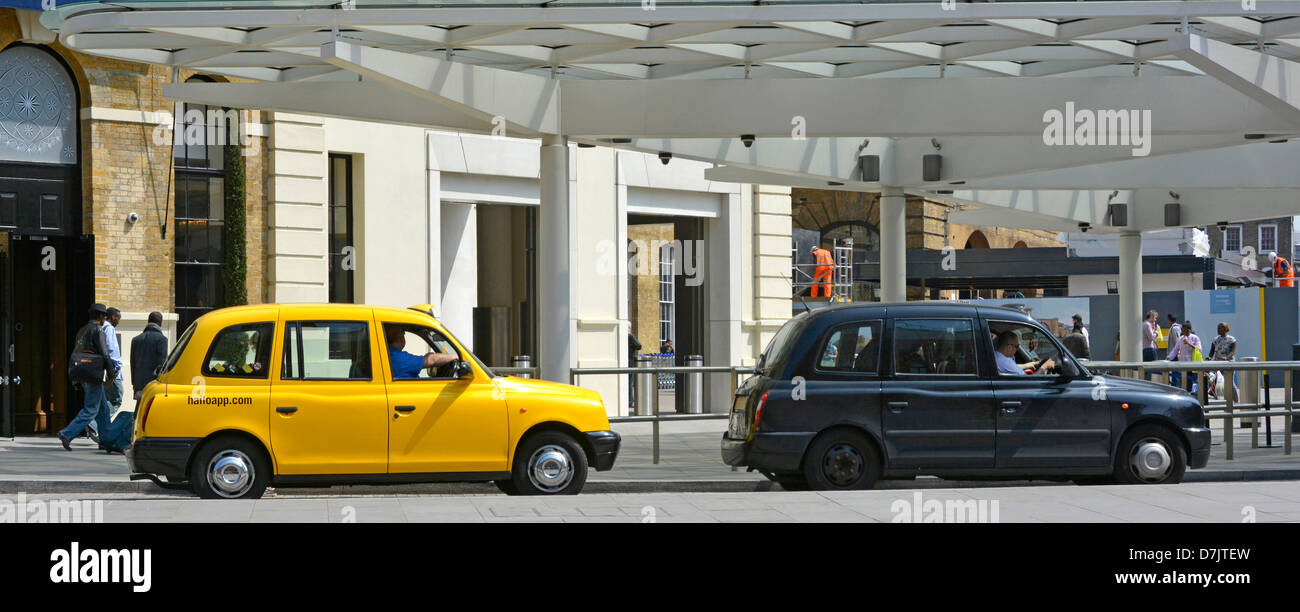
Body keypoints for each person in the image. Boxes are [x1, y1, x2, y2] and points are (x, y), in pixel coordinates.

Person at [57, 304, 116, 452]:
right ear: (101, 316)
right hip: (93, 374)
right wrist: (111, 371)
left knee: (103, 410)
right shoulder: (98, 330)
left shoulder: (82, 330)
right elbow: (105, 353)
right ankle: (67, 433)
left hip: (83, 372)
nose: (105, 319)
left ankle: (106, 440)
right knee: (91, 409)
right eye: (104, 316)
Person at [385, 326, 457, 379]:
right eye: (403, 334)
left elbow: (426, 359)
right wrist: (457, 356)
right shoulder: (399, 358)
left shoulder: (386, 355)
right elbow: (432, 360)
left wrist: (427, 357)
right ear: (400, 339)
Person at [130, 311, 169, 400]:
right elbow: (162, 364)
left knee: (140, 410)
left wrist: (134, 383)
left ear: (148, 321)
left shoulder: (136, 340)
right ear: (160, 324)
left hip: (138, 384)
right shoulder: (162, 339)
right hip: (153, 385)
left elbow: (133, 363)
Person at [102, 307, 125, 418]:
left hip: (103, 369)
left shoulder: (101, 327)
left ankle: (97, 427)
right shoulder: (109, 328)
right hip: (112, 370)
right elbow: (112, 350)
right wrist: (117, 367)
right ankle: (94, 423)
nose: (119, 321)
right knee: (117, 399)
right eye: (118, 318)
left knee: (106, 399)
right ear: (113, 317)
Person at [1176, 321, 1203, 393]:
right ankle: (1185, 394)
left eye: (1186, 330)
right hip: (1183, 364)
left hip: (1192, 364)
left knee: (1193, 381)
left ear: (1190, 330)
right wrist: (1169, 357)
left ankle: (1194, 394)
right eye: (1183, 330)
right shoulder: (1180, 339)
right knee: (1184, 382)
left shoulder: (1195, 338)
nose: (1184, 332)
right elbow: (1176, 349)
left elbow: (1199, 349)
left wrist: (1189, 343)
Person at [1165, 314, 1182, 387]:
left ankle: (1176, 387)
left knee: (1175, 373)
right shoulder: (1173, 328)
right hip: (1172, 354)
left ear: (1169, 320)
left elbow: (1177, 341)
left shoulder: (1175, 328)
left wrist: (1177, 352)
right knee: (1174, 372)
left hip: (1174, 354)